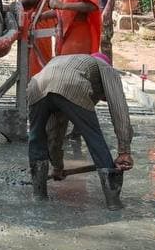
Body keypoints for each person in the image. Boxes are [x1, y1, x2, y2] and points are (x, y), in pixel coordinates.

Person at [27, 52, 134, 209]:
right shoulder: (106, 69)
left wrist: (57, 166)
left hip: (36, 86)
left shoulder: (69, 63)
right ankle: (113, 203)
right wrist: (124, 150)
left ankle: (38, 195)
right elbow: (119, 109)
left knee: (37, 137)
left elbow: (53, 132)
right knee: (94, 138)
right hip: (72, 85)